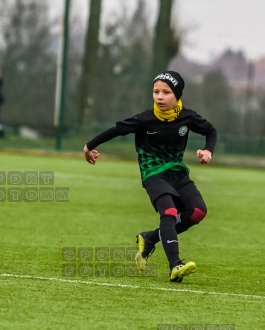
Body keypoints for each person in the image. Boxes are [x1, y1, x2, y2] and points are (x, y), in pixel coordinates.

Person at [82, 71, 217, 283]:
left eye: (166, 92)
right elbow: (116, 130)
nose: (159, 97)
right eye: (155, 92)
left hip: (177, 172)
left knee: (199, 212)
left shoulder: (187, 117)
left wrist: (208, 150)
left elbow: (210, 131)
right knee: (170, 212)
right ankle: (175, 265)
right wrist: (88, 147)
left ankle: (150, 238)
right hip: (152, 173)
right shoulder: (145, 119)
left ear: (177, 95)